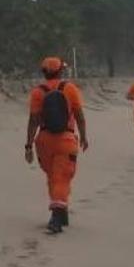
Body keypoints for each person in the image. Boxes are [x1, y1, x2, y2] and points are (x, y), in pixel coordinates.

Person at [24, 57, 89, 234]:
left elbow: (33, 121)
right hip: (66, 140)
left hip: (44, 141)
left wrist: (28, 145)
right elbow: (79, 116)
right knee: (62, 178)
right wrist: (84, 137)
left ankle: (62, 211)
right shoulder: (70, 88)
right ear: (60, 71)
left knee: (53, 176)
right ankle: (56, 218)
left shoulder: (38, 92)